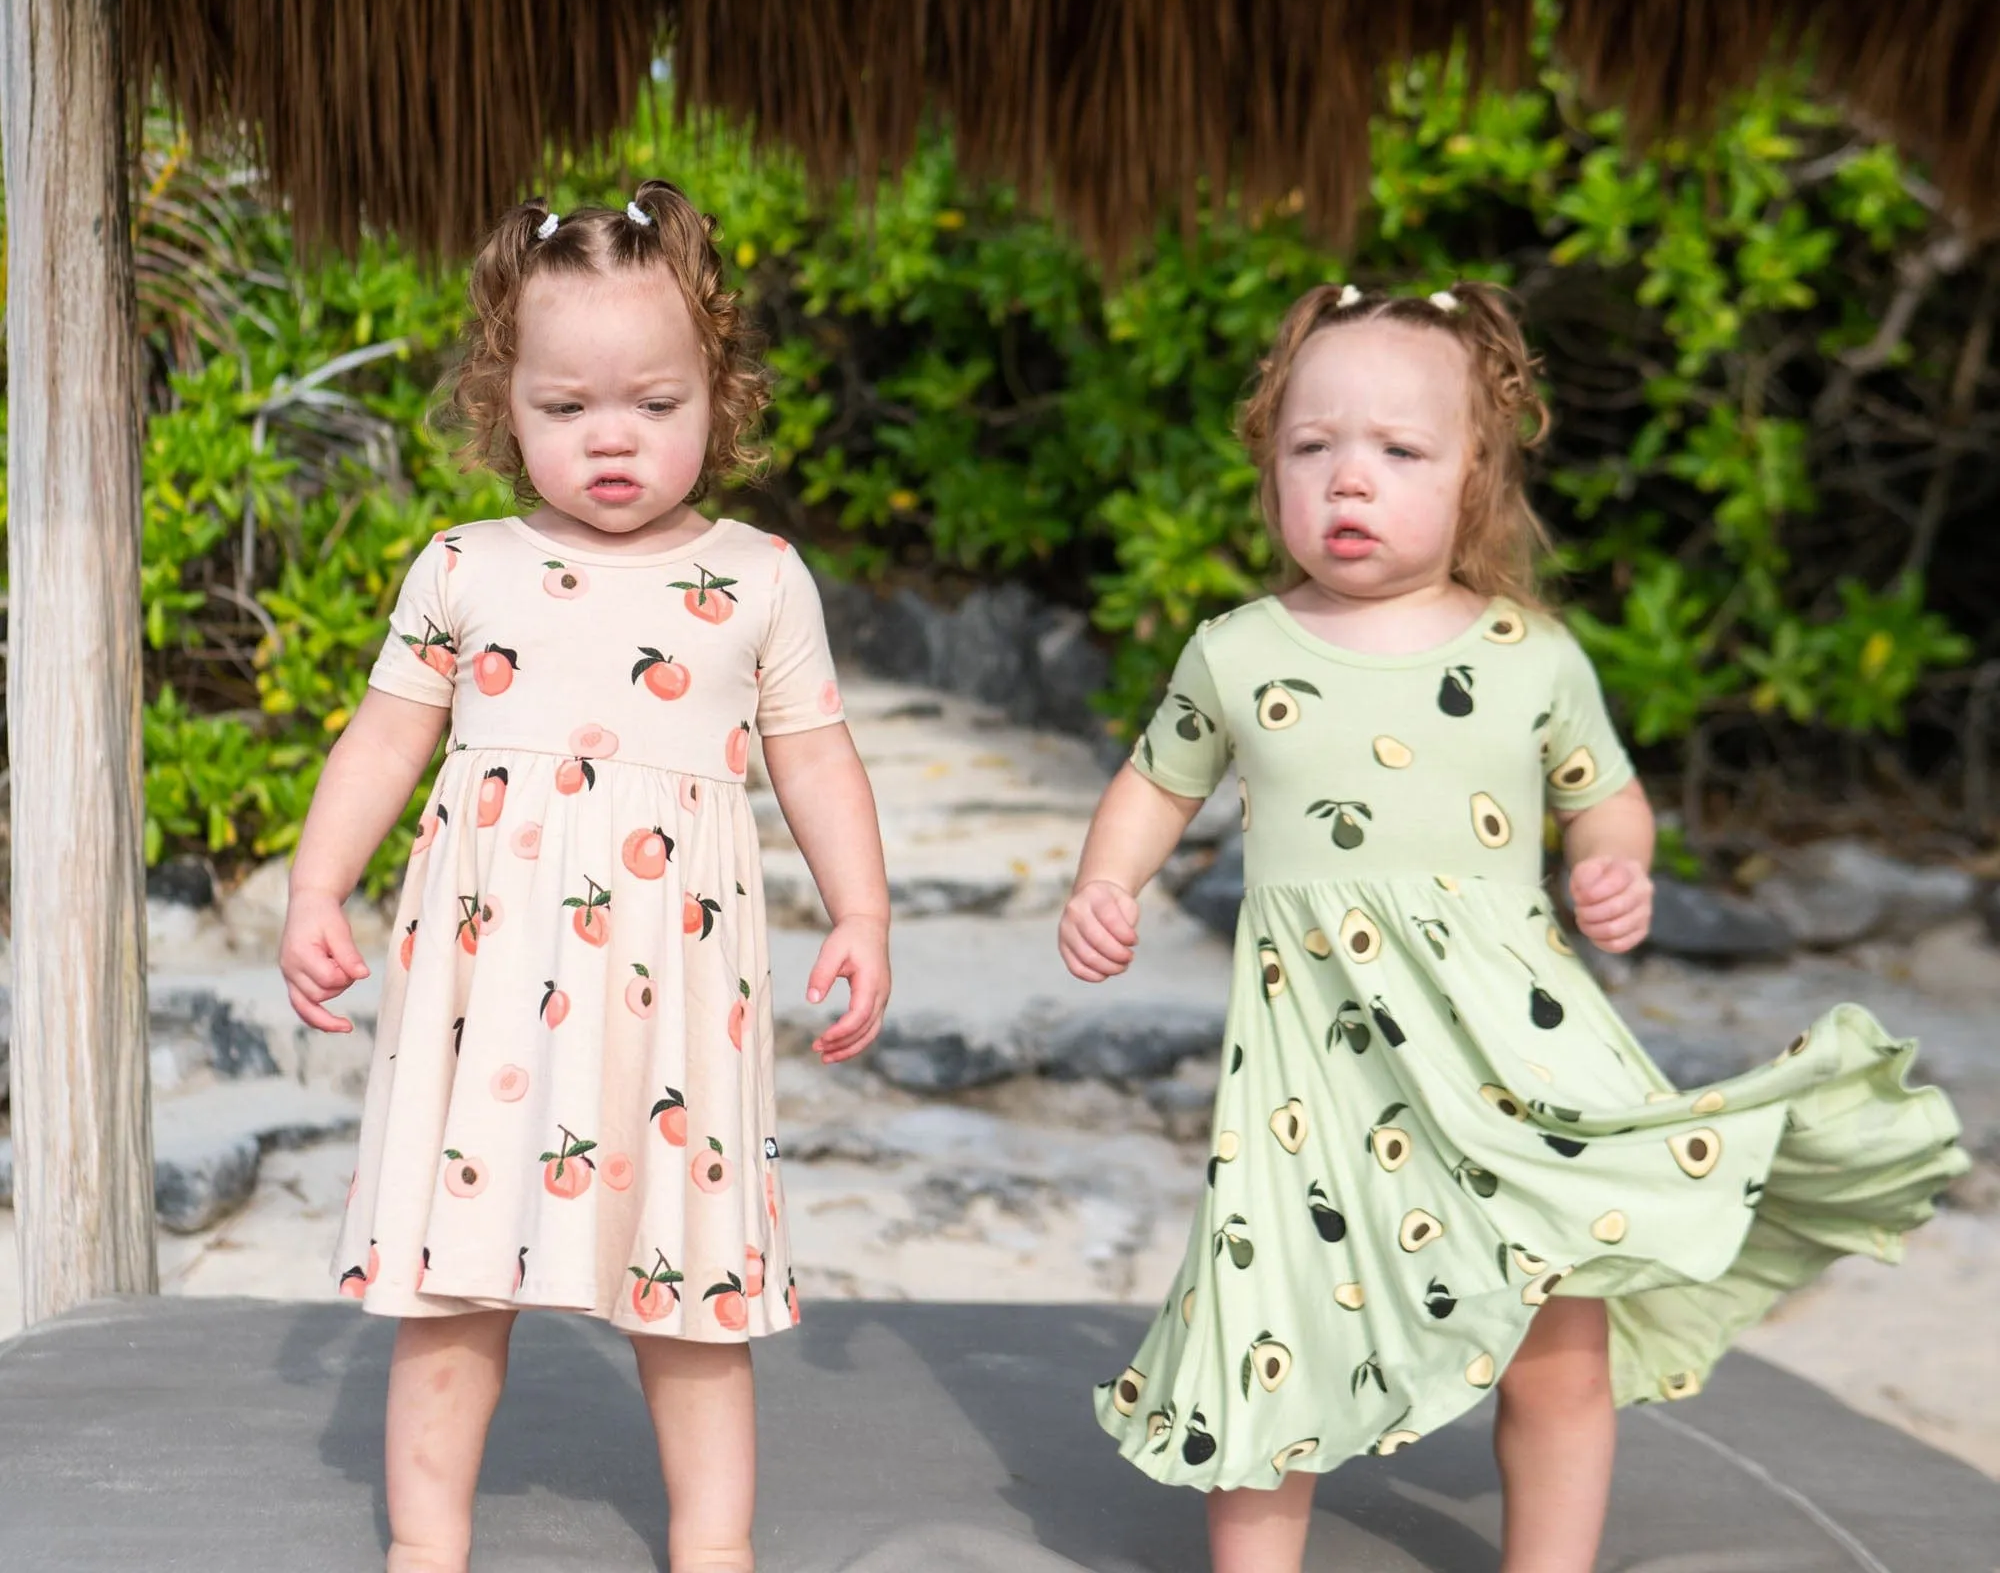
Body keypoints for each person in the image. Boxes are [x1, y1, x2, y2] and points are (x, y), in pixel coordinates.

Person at [1058, 281, 1964, 1573]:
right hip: (1315, 1078)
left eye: (1399, 451)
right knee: (1276, 1323)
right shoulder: (1240, 652)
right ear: (1269, 465)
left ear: (1477, 477)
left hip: (1510, 1065)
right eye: (1310, 449)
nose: (1347, 482)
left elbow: (1610, 801)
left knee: (1556, 1347)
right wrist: (1108, 882)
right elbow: (1159, 779)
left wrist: (1612, 869)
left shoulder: (1529, 654)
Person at [279, 181, 892, 1573]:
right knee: (450, 1279)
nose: (611, 437)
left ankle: (714, 1543)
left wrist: (861, 908)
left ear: (717, 396)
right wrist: (319, 887)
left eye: (654, 404)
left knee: (692, 1286)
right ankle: (424, 1545)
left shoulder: (758, 580)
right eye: (565, 409)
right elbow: (385, 741)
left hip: (673, 995)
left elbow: (816, 757)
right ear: (506, 403)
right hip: (486, 988)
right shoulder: (463, 568)